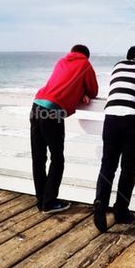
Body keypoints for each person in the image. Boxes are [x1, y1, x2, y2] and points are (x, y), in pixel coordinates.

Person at [93, 46, 135, 232]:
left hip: (111, 117)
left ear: (127, 58)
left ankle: (100, 201)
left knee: (108, 164)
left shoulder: (117, 66)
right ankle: (121, 211)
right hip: (131, 118)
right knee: (128, 168)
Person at [30, 45, 99, 214]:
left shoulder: (61, 61)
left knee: (38, 158)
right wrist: (84, 91)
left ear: (72, 52)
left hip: (36, 106)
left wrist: (79, 90)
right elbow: (94, 91)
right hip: (52, 112)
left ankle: (41, 200)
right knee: (57, 159)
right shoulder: (85, 64)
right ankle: (50, 202)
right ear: (86, 56)